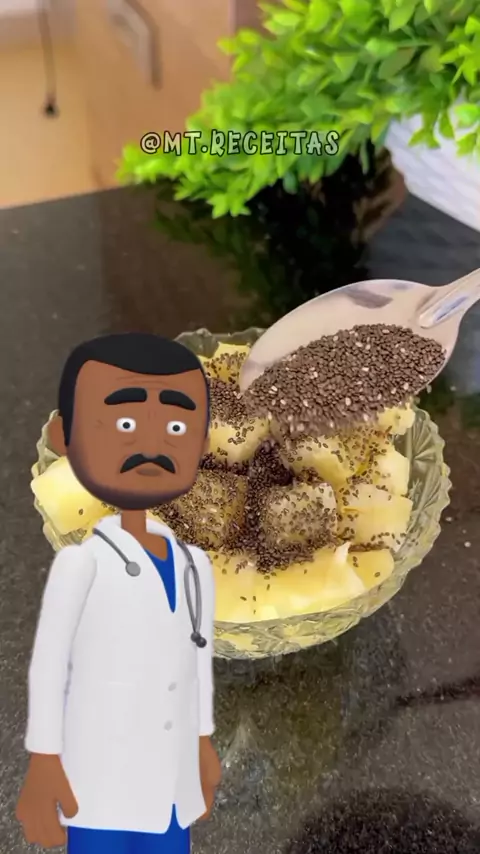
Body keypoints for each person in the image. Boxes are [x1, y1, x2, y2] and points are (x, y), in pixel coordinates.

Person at [16, 332, 222, 854]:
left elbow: (197, 662)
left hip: (173, 780)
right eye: (125, 424)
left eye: (176, 427)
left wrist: (203, 741)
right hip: (99, 775)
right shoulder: (81, 564)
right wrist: (43, 761)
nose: (152, 446)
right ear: (65, 437)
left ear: (202, 442)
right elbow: (49, 668)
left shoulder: (195, 565)